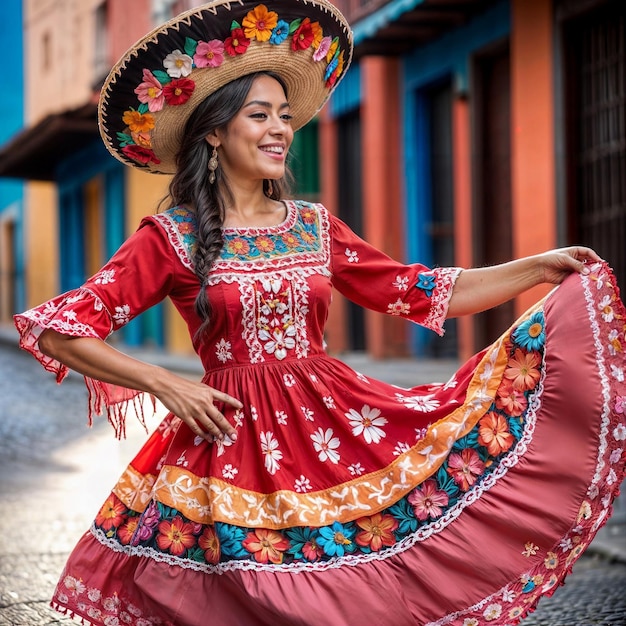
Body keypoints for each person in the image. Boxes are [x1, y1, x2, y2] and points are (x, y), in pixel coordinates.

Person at [14, 1, 626, 624]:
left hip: (337, 434)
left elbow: (417, 290)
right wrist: (164, 382)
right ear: (213, 133)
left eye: (285, 115)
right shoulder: (169, 237)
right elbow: (60, 328)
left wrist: (537, 269)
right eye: (260, 115)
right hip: (229, 452)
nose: (280, 128)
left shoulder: (313, 226)